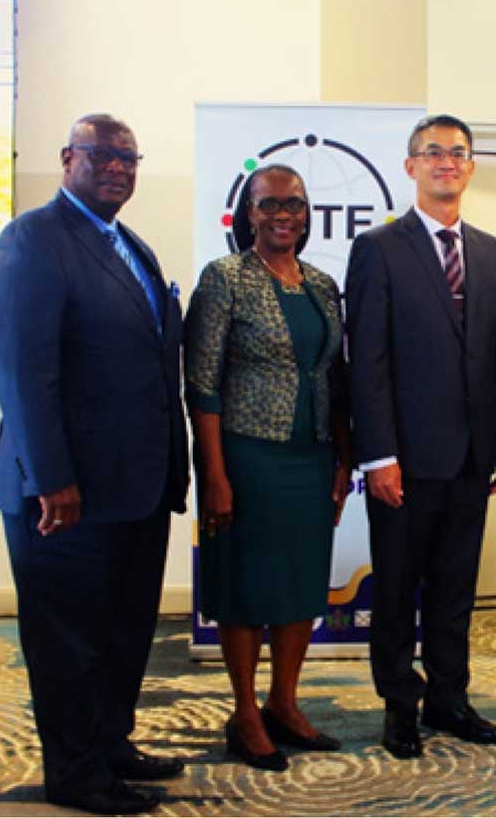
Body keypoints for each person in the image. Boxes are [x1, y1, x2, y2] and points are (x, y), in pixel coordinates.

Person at [0, 114, 188, 815]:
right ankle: (75, 774)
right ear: (67, 157)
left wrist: (173, 473)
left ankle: (110, 742)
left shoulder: (133, 246)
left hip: (135, 490)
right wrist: (50, 477)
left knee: (126, 631)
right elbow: (21, 371)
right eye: (102, 155)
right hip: (65, 494)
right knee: (68, 642)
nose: (118, 168)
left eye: (129, 157)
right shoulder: (33, 239)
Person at [344, 114, 496, 759]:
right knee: (396, 589)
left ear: (471, 167)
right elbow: (368, 361)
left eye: (458, 153)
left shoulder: (491, 252)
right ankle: (399, 704)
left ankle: (450, 698)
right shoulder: (379, 249)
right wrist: (379, 455)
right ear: (410, 166)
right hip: (406, 461)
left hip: (473, 458)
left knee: (454, 590)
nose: (447, 161)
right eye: (433, 152)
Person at [184, 164, 352, 771]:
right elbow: (201, 386)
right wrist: (216, 476)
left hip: (311, 456)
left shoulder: (322, 283)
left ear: (309, 214)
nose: (283, 214)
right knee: (246, 587)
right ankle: (245, 712)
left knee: (299, 584)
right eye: (269, 204)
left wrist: (342, 458)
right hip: (247, 456)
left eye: (295, 205)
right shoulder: (224, 279)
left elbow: (336, 376)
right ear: (247, 213)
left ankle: (284, 702)